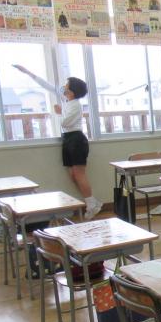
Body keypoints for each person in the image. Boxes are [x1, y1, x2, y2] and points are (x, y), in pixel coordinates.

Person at [13, 64, 102, 219]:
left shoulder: (75, 105)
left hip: (76, 139)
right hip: (67, 139)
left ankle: (91, 205)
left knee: (79, 174)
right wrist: (28, 72)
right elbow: (48, 86)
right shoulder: (66, 99)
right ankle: (93, 202)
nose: (63, 86)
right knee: (72, 175)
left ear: (72, 91)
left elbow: (65, 123)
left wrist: (60, 112)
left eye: (66, 85)